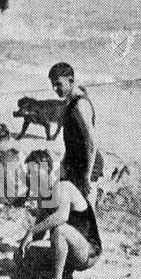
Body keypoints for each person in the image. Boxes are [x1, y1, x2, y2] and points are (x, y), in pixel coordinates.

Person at [16, 149, 101, 279]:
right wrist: (26, 245)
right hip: (70, 249)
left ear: (46, 170)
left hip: (88, 252)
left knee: (59, 229)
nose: (31, 177)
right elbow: (40, 229)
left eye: (34, 172)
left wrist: (31, 232)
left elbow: (62, 216)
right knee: (23, 256)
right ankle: (64, 269)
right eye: (29, 173)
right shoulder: (43, 194)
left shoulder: (63, 186)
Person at [48, 62, 97, 200]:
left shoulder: (80, 105)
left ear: (71, 81)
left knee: (85, 208)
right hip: (73, 162)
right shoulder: (71, 101)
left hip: (86, 164)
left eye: (58, 84)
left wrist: (87, 176)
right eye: (53, 84)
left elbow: (91, 143)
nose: (54, 88)